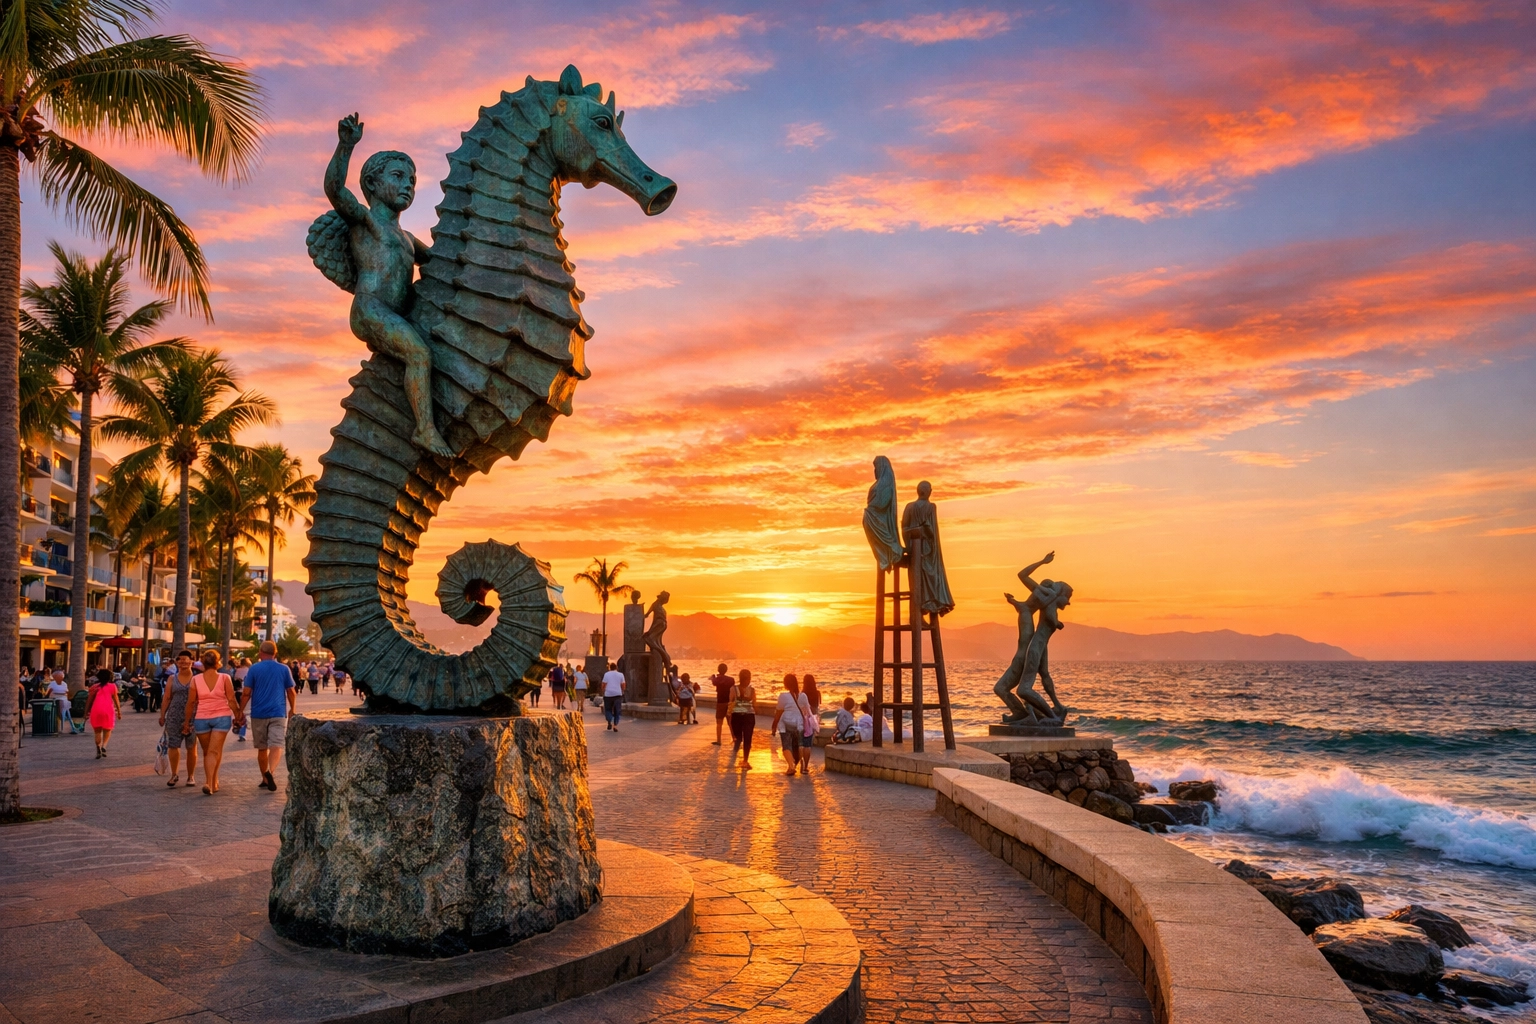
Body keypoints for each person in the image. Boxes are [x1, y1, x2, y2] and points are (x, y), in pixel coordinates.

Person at [183, 650, 243, 795]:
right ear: (218, 662)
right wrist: (237, 715)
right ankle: (211, 783)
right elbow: (231, 699)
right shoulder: (224, 678)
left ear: (203, 662)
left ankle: (211, 782)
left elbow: (191, 703)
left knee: (208, 752)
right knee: (214, 751)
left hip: (201, 718)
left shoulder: (195, 680)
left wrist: (186, 722)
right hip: (221, 717)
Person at [239, 641, 296, 792]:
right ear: (275, 653)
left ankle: (265, 778)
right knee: (277, 744)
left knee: (262, 748)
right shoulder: (284, 669)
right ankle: (270, 771)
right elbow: (291, 691)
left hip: (258, 713)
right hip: (278, 712)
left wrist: (239, 711)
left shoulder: (254, 668)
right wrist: (292, 709)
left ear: (260, 652)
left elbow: (246, 693)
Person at [159, 651, 198, 787]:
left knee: (191, 747)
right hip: (174, 716)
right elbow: (167, 697)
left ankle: (191, 776)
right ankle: (174, 774)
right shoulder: (172, 678)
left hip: (193, 717)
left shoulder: (197, 679)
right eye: (180, 660)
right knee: (173, 746)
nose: (183, 663)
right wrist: (162, 715)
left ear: (192, 661)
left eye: (186, 660)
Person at [770, 674, 813, 776]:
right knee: (797, 746)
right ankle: (795, 764)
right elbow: (807, 710)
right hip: (799, 725)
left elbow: (779, 712)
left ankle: (791, 766)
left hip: (786, 724)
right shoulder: (803, 696)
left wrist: (774, 726)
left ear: (785, 684)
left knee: (786, 746)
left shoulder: (783, 696)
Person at [87, 668, 120, 758]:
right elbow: (116, 700)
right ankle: (104, 746)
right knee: (107, 729)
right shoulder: (112, 686)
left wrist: (86, 712)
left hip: (96, 710)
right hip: (108, 710)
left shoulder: (94, 687)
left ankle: (98, 746)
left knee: (97, 731)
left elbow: (89, 701)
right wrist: (119, 712)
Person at [729, 669, 757, 769]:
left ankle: (737, 750)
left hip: (736, 715)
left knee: (739, 736)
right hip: (749, 716)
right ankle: (745, 760)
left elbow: (730, 702)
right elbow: (754, 704)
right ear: (749, 678)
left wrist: (729, 714)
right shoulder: (752, 690)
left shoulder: (733, 689)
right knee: (748, 737)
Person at [711, 663, 734, 746]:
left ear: (718, 670)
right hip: (729, 702)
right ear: (726, 670)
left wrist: (713, 677)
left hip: (720, 703)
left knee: (719, 722)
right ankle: (734, 738)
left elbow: (714, 682)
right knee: (730, 722)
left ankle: (719, 740)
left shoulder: (717, 679)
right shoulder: (731, 679)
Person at [46, 670, 73, 734]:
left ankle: (62, 716)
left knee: (61, 702)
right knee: (58, 703)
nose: (60, 679)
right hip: (53, 699)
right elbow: (47, 693)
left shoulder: (64, 684)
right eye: (58, 677)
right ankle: (60, 716)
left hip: (63, 699)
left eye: (61, 677)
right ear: (55, 678)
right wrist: (50, 692)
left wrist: (67, 693)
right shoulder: (52, 684)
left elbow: (67, 693)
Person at [600, 662, 625, 731]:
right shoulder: (621, 675)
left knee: (608, 709)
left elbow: (603, 684)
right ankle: (615, 725)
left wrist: (603, 691)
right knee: (617, 710)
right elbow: (623, 685)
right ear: (616, 668)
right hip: (618, 694)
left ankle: (610, 720)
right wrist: (622, 691)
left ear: (610, 668)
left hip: (608, 694)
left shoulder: (606, 674)